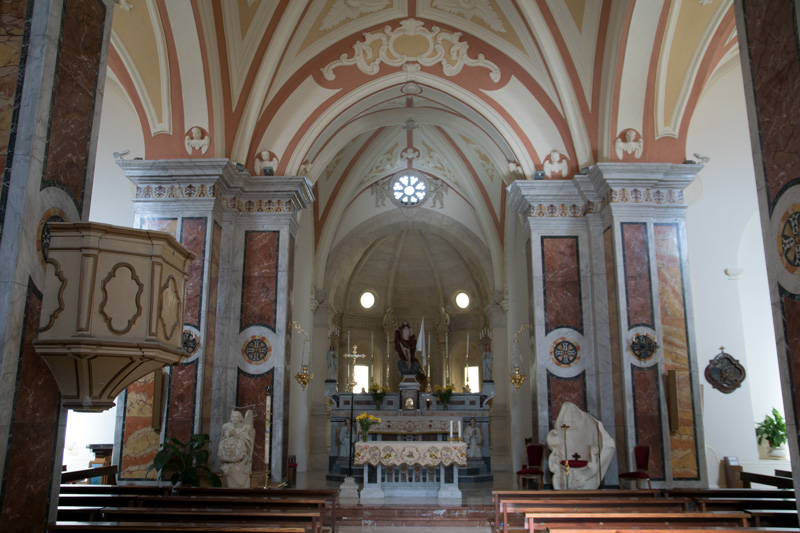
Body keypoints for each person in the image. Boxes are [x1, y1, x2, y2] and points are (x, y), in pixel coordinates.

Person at [217, 410, 255, 488]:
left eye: (237, 417)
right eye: (233, 417)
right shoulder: (225, 426)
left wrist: (237, 436)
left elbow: (250, 440)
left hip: (241, 459)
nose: (234, 419)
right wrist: (228, 435)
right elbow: (222, 439)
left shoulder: (246, 427)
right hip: (228, 457)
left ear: (240, 418)